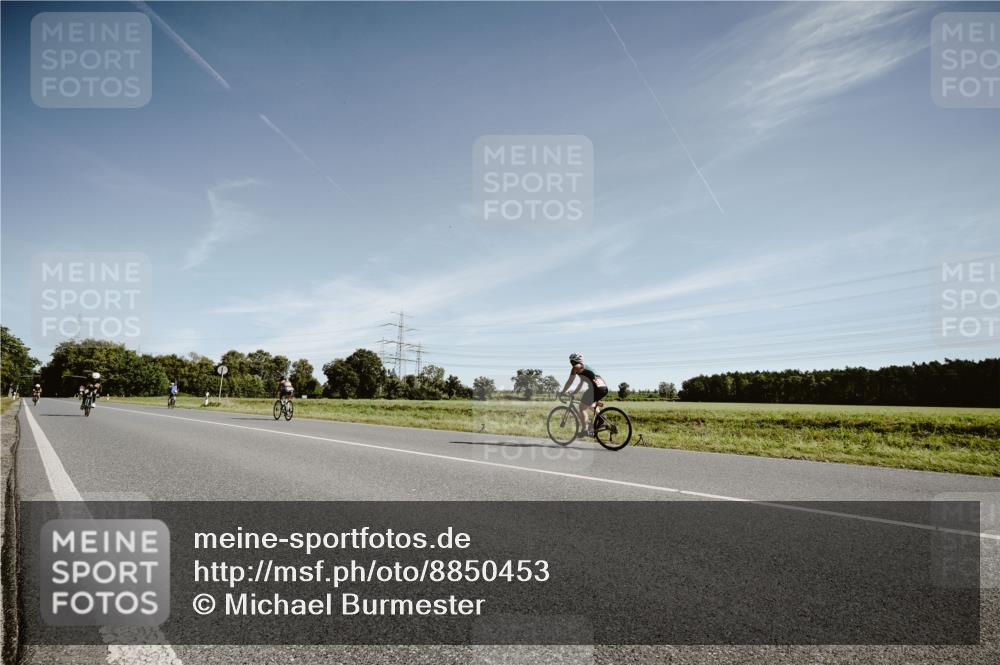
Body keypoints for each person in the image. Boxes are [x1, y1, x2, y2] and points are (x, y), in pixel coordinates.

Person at [560, 353, 608, 436]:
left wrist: (563, 391)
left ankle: (585, 430)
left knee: (582, 407)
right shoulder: (585, 368)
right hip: (603, 388)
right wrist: (574, 392)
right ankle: (601, 418)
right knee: (589, 404)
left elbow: (570, 381)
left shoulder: (576, 367)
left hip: (595, 389)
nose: (571, 364)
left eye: (571, 362)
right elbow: (580, 384)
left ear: (574, 361)